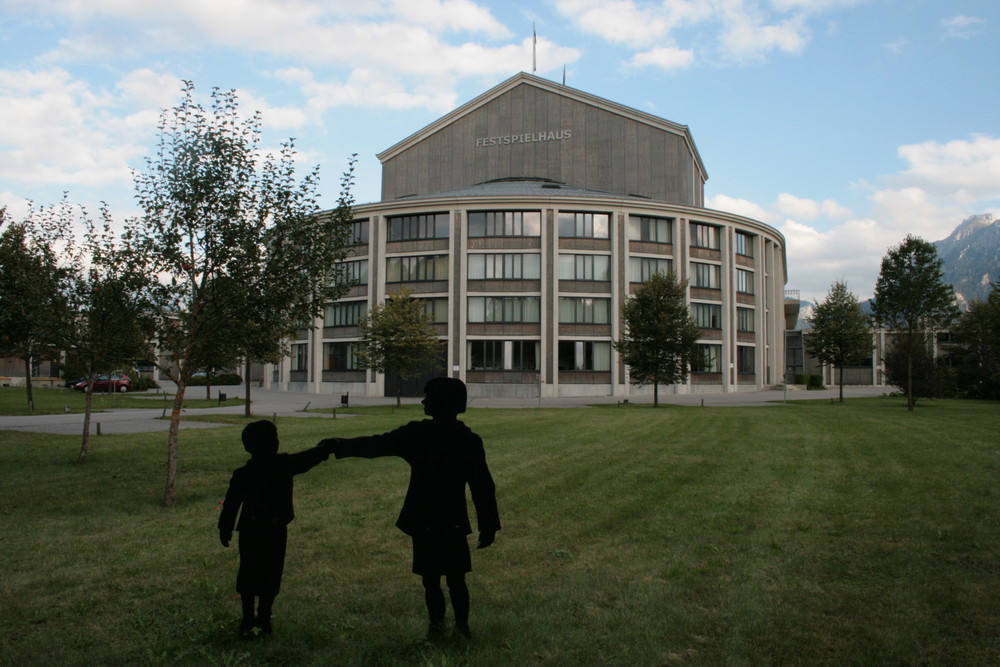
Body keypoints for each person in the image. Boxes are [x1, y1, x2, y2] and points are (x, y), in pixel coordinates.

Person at [321, 377, 500, 641]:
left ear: (441, 402)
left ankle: (436, 626)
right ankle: (461, 627)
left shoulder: (418, 435)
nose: (424, 401)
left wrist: (340, 445)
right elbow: (482, 486)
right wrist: (488, 524)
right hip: (452, 518)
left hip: (425, 516)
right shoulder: (467, 439)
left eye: (429, 397)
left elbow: (376, 445)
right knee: (456, 578)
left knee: (431, 578)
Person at [218, 420, 330, 636]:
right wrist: (325, 449)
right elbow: (306, 459)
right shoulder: (282, 465)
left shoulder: (243, 473)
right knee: (271, 572)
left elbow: (231, 504)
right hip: (274, 529)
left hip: (251, 529)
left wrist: (226, 528)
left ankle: (249, 617)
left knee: (249, 572)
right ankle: (262, 617)